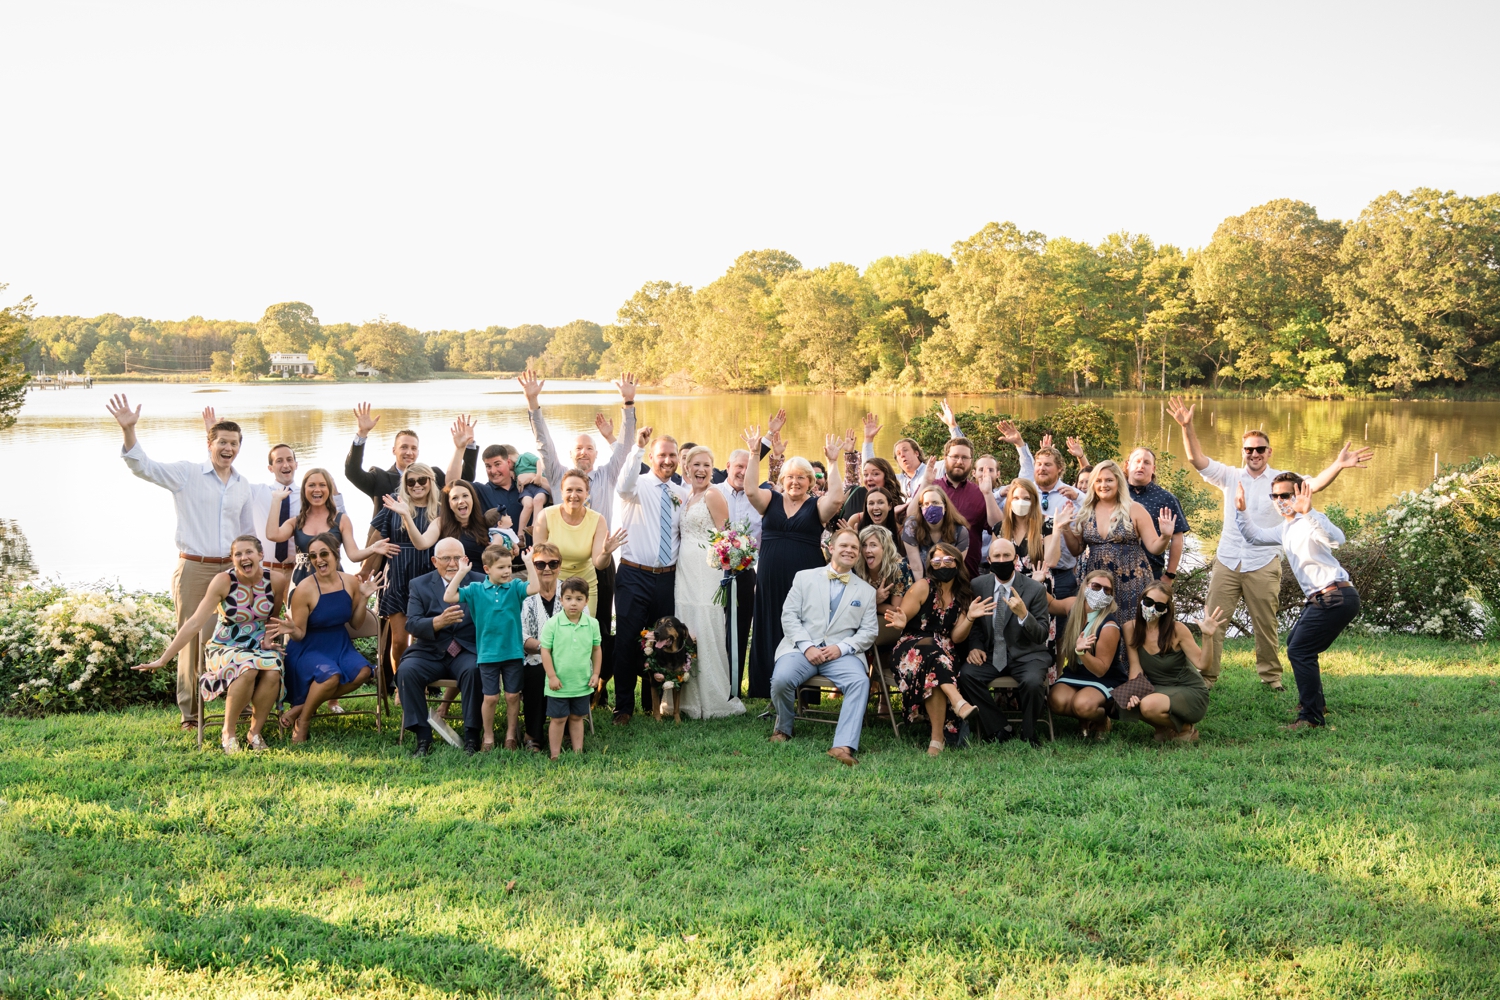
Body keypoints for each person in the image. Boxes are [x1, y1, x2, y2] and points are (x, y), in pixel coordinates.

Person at [1167, 396, 1372, 690]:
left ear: (1268, 451)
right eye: (1249, 450)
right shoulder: (1229, 476)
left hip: (1263, 562)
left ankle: (1271, 677)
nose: (1254, 454)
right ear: (1243, 452)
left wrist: (1339, 466)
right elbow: (1195, 459)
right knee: (1213, 623)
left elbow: (1312, 486)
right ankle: (1208, 676)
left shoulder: (1281, 481)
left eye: (1260, 449)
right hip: (1227, 560)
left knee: (1265, 625)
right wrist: (1187, 427)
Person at [109, 393, 257, 729]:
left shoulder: (242, 485)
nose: (228, 448)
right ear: (209, 443)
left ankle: (240, 702)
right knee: (193, 640)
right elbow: (142, 467)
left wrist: (249, 570)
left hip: (232, 571)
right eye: (222, 442)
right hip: (194, 567)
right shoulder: (187, 474)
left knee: (237, 634)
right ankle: (191, 714)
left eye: (234, 443)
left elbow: (247, 535)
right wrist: (129, 431)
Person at [522, 368, 640, 695]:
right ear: (572, 455)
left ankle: (597, 686)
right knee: (559, 628)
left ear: (596, 455)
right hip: (557, 569)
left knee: (599, 626)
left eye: (590, 449)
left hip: (598, 564)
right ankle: (557, 681)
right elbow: (543, 442)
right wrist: (534, 404)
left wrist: (628, 404)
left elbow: (627, 445)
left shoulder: (606, 476)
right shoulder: (560, 475)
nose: (584, 453)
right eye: (579, 449)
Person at [133, 534, 287, 753]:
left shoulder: (276, 580)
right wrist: (163, 659)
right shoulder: (224, 581)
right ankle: (229, 733)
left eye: (249, 552)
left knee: (272, 670)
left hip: (258, 646)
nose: (244, 557)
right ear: (233, 559)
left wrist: (268, 639)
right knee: (249, 668)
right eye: (238, 554)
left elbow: (274, 616)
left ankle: (254, 733)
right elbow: (195, 621)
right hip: (225, 646)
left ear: (260, 555)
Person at [1235, 475, 1361, 730]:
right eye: (1276, 496)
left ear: (1299, 495)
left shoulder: (1310, 520)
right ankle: (1315, 703)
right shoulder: (1286, 528)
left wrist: (1309, 511)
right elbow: (1254, 536)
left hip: (1335, 596)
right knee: (1296, 644)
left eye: (1286, 495)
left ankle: (1311, 718)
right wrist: (1241, 511)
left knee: (1299, 651)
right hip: (1321, 598)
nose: (1280, 501)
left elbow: (1337, 540)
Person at [741, 424, 852, 700]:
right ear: (782, 479)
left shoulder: (816, 506)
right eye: (790, 477)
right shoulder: (771, 499)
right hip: (770, 575)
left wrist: (832, 461)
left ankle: (804, 690)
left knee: (803, 626)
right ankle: (767, 688)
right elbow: (751, 490)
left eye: (802, 478)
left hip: (806, 577)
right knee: (770, 622)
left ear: (811, 483)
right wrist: (755, 453)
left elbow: (837, 497)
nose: (795, 482)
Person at [767, 528, 880, 766]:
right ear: (831, 548)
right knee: (781, 679)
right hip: (801, 649)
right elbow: (788, 616)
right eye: (844, 546)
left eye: (854, 548)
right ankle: (784, 728)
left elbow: (869, 632)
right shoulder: (804, 577)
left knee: (860, 682)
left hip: (841, 654)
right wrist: (807, 646)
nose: (849, 551)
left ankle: (843, 746)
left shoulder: (867, 592)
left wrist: (842, 648)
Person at [884, 542, 995, 755]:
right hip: (912, 647)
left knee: (935, 666)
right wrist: (901, 620)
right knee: (933, 653)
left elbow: (956, 636)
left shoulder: (963, 595)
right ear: (930, 565)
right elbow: (904, 615)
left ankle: (937, 740)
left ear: (957, 563)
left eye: (947, 560)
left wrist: (970, 617)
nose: (942, 564)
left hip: (943, 652)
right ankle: (957, 702)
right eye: (936, 561)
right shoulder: (923, 587)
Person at [611, 426, 689, 723]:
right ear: (652, 457)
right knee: (628, 640)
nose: (667, 461)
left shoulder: (680, 493)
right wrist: (637, 448)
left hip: (667, 578)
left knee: (659, 641)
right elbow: (622, 485)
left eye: (672, 456)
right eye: (661, 455)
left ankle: (651, 703)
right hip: (634, 574)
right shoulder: (636, 486)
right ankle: (623, 707)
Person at [275, 533, 381, 744]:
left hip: (339, 644)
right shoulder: (304, 589)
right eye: (313, 556)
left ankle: (300, 709)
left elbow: (356, 624)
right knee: (331, 676)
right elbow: (300, 634)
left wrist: (364, 598)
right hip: (308, 647)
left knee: (364, 672)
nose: (319, 560)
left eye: (324, 554)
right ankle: (303, 722)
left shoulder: (350, 582)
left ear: (335, 555)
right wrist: (291, 629)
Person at [668, 446, 748, 719]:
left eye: (706, 465)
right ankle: (687, 700)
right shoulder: (688, 495)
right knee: (686, 627)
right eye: (695, 465)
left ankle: (714, 700)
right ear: (686, 468)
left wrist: (725, 568)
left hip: (707, 573)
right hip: (685, 574)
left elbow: (728, 540)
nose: (701, 470)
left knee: (707, 630)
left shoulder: (713, 495)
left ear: (713, 469)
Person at [957, 537, 1052, 745]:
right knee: (967, 675)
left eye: (1006, 556)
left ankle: (1028, 734)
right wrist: (975, 647)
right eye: (997, 556)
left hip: (1027, 655)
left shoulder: (1034, 589)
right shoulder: (977, 585)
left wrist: (1024, 615)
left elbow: (1042, 635)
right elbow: (974, 625)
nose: (1002, 560)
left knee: (1034, 682)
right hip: (993, 654)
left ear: (1016, 559)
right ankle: (999, 726)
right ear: (989, 560)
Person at [397, 538, 487, 755]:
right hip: (430, 651)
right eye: (446, 558)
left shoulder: (482, 581)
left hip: (467, 650)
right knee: (407, 671)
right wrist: (438, 622)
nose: (452, 563)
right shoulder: (419, 584)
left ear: (465, 559)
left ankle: (472, 737)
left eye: (457, 557)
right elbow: (412, 623)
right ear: (434, 561)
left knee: (475, 670)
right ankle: (422, 737)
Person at [1059, 459, 1175, 621]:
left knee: (1130, 627)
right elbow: (1076, 549)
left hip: (1132, 580)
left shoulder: (1134, 509)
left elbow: (1155, 547)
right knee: (1096, 625)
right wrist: (1064, 527)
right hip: (1098, 581)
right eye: (1098, 481)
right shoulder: (1086, 511)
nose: (1103, 485)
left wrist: (1165, 536)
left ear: (1119, 482)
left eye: (1109, 480)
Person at [444, 543, 529, 752]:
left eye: (509, 566)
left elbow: (534, 588)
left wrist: (529, 564)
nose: (507, 571)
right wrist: (461, 572)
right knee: (490, 697)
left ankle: (511, 735)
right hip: (488, 654)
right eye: (501, 567)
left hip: (513, 652)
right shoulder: (475, 590)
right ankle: (488, 736)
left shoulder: (516, 587)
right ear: (487, 569)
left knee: (512, 695)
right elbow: (449, 596)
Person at [1120, 584, 1226, 743]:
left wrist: (1207, 636)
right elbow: (1136, 667)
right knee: (1121, 700)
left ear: (1166, 610)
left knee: (1148, 705)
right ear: (1141, 600)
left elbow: (1202, 664)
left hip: (1189, 689)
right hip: (1159, 687)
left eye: (1159, 606)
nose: (1151, 608)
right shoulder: (1130, 628)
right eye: (1148, 602)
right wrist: (1132, 693)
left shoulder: (1177, 630)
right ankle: (1163, 728)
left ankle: (1186, 728)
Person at [368, 462, 441, 677]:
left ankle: (421, 681)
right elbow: (377, 538)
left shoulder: (439, 510)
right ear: (405, 484)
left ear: (430, 481)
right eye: (411, 481)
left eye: (422, 480)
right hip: (397, 575)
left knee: (424, 638)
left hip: (426, 575)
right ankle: (402, 683)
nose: (416, 485)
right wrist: (365, 570)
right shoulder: (394, 505)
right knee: (399, 640)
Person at [266, 469, 397, 586]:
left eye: (322, 485)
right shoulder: (296, 522)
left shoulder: (341, 520)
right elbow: (272, 535)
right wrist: (276, 500)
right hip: (302, 582)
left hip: (333, 580)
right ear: (304, 490)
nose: (317, 489)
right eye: (311, 485)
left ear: (329, 489)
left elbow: (353, 555)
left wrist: (373, 548)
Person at [344, 403, 477, 515]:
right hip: (390, 543)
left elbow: (464, 480)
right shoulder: (379, 478)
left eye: (413, 448)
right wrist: (362, 434)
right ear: (393, 450)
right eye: (404, 447)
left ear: (418, 452)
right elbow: (352, 472)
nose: (409, 452)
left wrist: (468, 445)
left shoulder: (432, 475)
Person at [532, 469, 625, 619]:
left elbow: (599, 563)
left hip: (585, 587)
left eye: (579, 490)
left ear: (587, 493)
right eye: (569, 490)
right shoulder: (546, 516)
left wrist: (606, 552)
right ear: (561, 492)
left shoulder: (597, 520)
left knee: (584, 636)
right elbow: (537, 559)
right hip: (553, 586)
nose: (573, 495)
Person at [1049, 569, 1127, 740]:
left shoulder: (1109, 626)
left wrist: (1081, 652)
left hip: (1104, 677)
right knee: (1056, 701)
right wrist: (1039, 582)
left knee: (1083, 705)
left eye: (1107, 590)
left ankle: (1100, 719)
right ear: (1085, 586)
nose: (1101, 592)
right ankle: (1084, 717)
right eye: (1096, 586)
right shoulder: (1073, 607)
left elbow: (1101, 670)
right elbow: (1051, 605)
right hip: (1076, 673)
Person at [539, 577, 602, 759]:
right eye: (568, 598)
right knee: (558, 719)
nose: (573, 603)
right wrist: (551, 676)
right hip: (558, 684)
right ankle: (555, 754)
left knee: (577, 718)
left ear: (586, 601)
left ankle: (578, 752)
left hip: (581, 683)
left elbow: (596, 650)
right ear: (561, 600)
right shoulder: (552, 624)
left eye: (578, 599)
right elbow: (545, 651)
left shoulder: (592, 624)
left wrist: (596, 673)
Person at [715, 448, 761, 686]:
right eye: (739, 467)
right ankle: (714, 683)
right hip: (714, 573)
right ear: (728, 466)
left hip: (746, 573)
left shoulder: (759, 498)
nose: (743, 472)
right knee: (715, 626)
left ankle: (734, 686)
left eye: (748, 467)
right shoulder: (714, 493)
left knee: (741, 628)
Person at [520, 543, 565, 751]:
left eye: (553, 563)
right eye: (540, 564)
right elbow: (521, 636)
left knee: (564, 670)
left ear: (560, 566)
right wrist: (545, 650)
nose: (547, 569)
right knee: (538, 672)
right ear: (533, 566)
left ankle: (564, 728)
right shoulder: (524, 594)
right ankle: (533, 734)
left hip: (568, 656)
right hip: (534, 656)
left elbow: (585, 626)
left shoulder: (571, 591)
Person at [1124, 447, 1189, 584]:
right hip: (1114, 569)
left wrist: (1169, 575)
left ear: (1153, 469)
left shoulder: (1166, 499)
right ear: (1127, 465)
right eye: (1137, 461)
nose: (1141, 466)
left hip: (1151, 572)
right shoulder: (1115, 493)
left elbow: (1177, 538)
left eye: (1146, 463)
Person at [855, 524, 914, 647]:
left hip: (892, 620)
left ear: (885, 548)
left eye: (873, 545)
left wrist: (870, 602)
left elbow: (895, 610)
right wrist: (874, 599)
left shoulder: (899, 568)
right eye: (864, 545)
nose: (867, 550)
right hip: (863, 614)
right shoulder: (857, 567)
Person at [901, 485, 971, 577]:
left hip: (948, 578)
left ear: (945, 507)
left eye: (935, 502)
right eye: (926, 504)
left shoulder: (960, 531)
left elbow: (956, 567)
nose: (931, 507)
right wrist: (923, 589)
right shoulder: (911, 526)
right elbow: (916, 567)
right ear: (920, 507)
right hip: (919, 578)